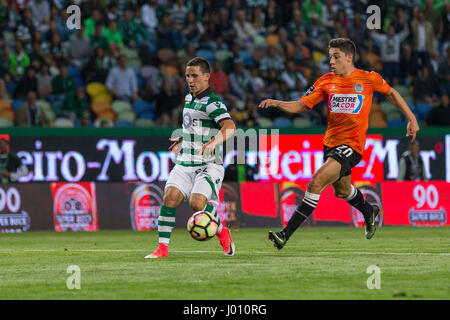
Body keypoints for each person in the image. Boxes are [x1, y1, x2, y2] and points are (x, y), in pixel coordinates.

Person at [259, 38, 419, 249]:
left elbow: (392, 94)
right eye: (329, 57)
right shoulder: (325, 81)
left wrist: (412, 118)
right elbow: (300, 106)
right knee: (342, 191)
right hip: (330, 145)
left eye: (336, 56)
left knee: (315, 182)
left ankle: (284, 235)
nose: (331, 61)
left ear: (349, 57)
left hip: (352, 145)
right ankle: (369, 211)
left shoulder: (368, 78)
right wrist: (277, 103)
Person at [145, 57, 237, 259]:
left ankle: (222, 231)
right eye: (187, 75)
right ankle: (162, 249)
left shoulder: (213, 104)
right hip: (185, 161)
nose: (190, 80)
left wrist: (214, 142)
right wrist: (183, 138)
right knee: (169, 197)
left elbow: (230, 127)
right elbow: (194, 126)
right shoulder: (189, 99)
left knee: (197, 204)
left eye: (195, 75)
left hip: (208, 164)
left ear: (207, 77)